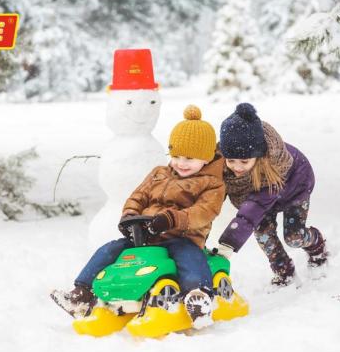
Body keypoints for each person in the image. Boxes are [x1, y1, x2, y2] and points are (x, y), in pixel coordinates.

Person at [51, 105, 225, 328]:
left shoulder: (212, 184)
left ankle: (198, 297)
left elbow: (204, 212)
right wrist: (130, 214)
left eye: (189, 158)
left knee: (188, 257)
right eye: (177, 156)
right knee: (110, 249)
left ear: (206, 158)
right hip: (146, 235)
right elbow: (139, 195)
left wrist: (173, 219)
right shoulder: (158, 173)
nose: (181, 163)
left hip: (182, 236)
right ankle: (82, 293)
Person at [212, 103, 329, 287]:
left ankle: (317, 245)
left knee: (294, 237)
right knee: (263, 231)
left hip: (294, 187)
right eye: (231, 160)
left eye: (244, 161)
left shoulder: (272, 168)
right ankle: (285, 274)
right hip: (260, 197)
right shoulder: (224, 166)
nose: (237, 167)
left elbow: (252, 211)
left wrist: (228, 244)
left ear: (257, 156)